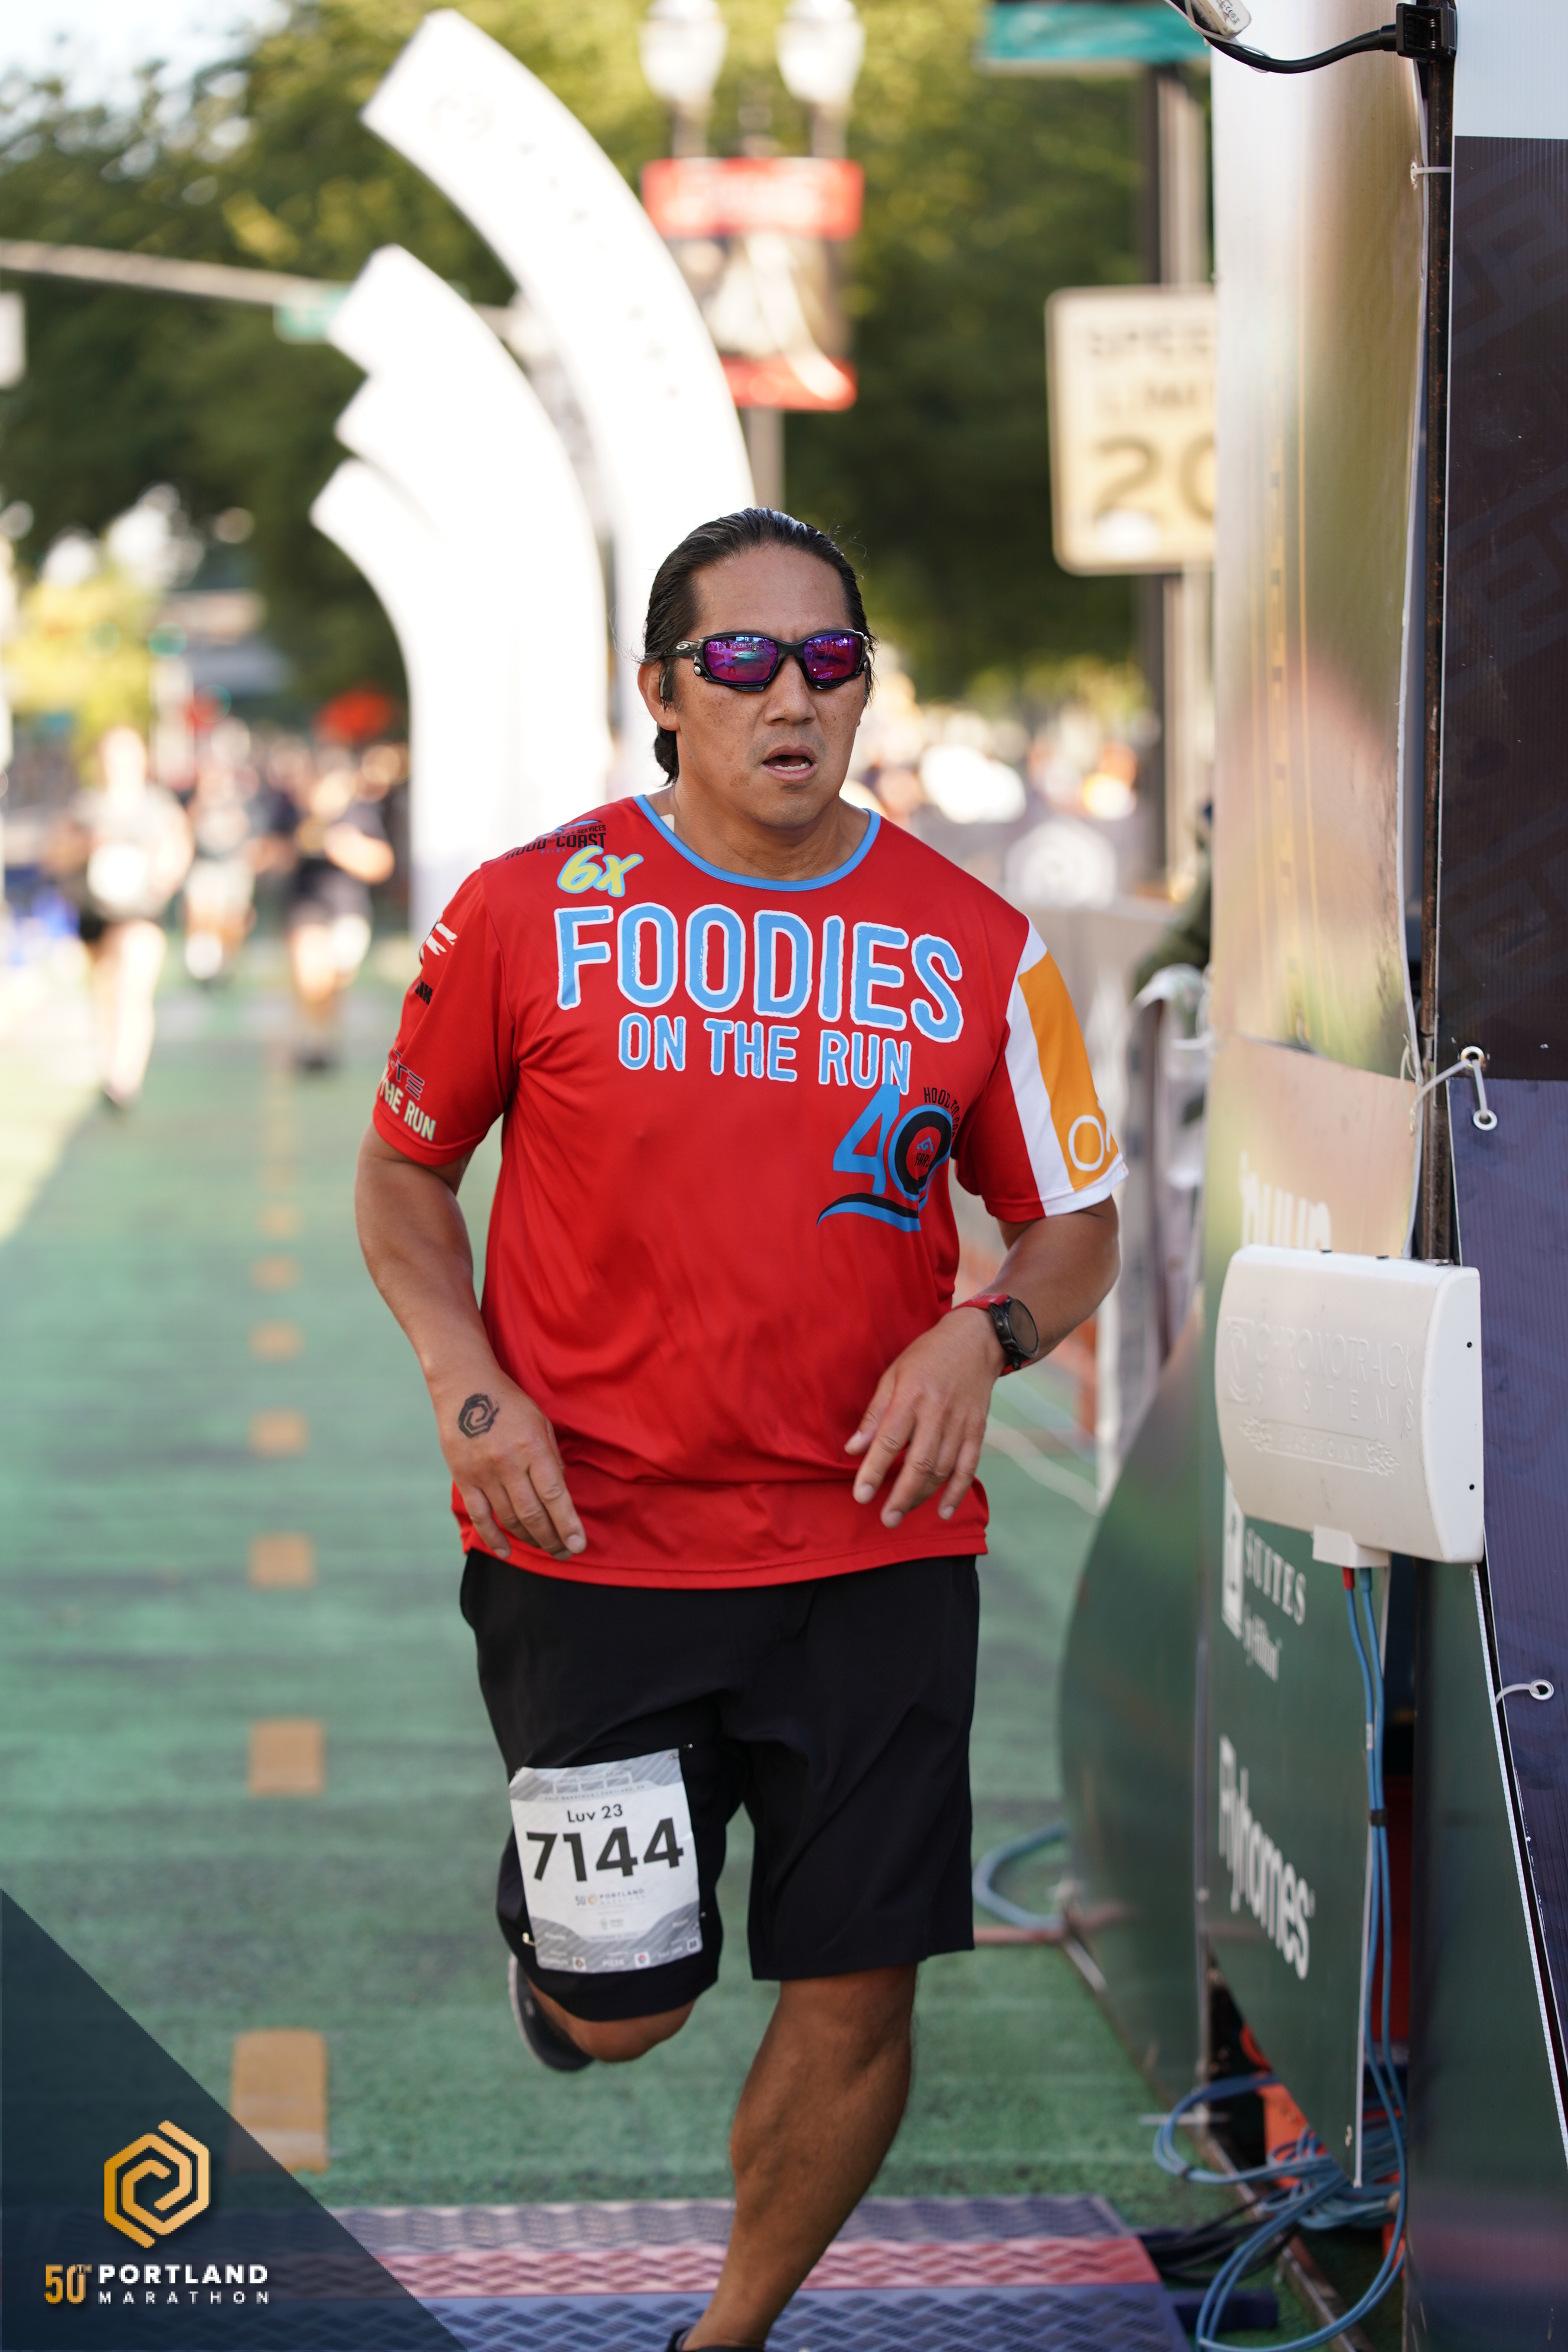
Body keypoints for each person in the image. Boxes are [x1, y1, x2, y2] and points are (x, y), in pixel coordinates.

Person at [354, 509, 1123, 2352]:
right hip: (594, 1545)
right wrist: (467, 1383)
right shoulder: (528, 909)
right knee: (623, 2010)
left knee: (860, 1984)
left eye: (830, 660)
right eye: (744, 661)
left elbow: (1078, 1223)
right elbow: (402, 1174)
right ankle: (574, 1968)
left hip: (877, 1551)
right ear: (663, 691)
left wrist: (987, 1333)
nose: (794, 696)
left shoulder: (978, 942)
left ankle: (728, 2333)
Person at [45, 724, 192, 1108]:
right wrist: (86, 845)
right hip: (95, 913)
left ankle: (125, 1077)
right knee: (106, 992)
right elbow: (55, 855)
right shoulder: (84, 807)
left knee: (133, 986)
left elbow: (178, 852)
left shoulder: (159, 807)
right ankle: (111, 1062)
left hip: (142, 912)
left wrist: (163, 871)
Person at [262, 744, 395, 1070]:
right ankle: (311, 1040)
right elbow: (264, 854)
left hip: (347, 908)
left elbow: (382, 863)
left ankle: (323, 1039)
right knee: (310, 973)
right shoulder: (291, 812)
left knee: (332, 983)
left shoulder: (358, 815)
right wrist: (289, 849)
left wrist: (348, 849)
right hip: (305, 905)